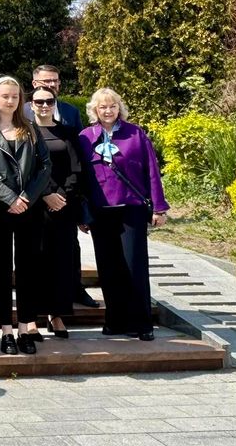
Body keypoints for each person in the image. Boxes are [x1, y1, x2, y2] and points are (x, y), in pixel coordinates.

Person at [79, 87, 169, 341]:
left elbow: (151, 171)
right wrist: (82, 215)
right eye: (102, 107)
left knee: (134, 266)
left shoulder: (136, 134)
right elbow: (82, 179)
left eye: (112, 106)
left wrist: (159, 207)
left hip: (131, 209)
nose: (108, 111)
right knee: (109, 268)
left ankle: (142, 323)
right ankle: (115, 321)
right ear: (95, 111)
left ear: (119, 108)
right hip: (101, 212)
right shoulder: (86, 137)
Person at [0, 76, 52, 356]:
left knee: (28, 268)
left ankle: (25, 327)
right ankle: (6, 329)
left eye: (15, 97)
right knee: (1, 269)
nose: (10, 101)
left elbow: (45, 165)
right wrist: (9, 198)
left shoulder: (29, 128)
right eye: (5, 96)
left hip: (29, 208)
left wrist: (27, 197)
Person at [23, 64, 95, 308]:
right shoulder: (22, 115)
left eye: (55, 81)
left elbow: (75, 155)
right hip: (36, 198)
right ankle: (36, 308)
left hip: (66, 199)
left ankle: (73, 291)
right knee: (37, 252)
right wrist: (46, 193)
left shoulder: (70, 113)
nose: (51, 86)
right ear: (34, 86)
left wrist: (65, 193)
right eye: (46, 82)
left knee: (68, 250)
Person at [30, 85, 84, 338]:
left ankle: (58, 315)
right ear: (31, 104)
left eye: (49, 101)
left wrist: (62, 195)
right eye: (38, 101)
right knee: (35, 261)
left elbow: (77, 169)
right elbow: (27, 170)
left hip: (64, 207)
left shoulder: (69, 133)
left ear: (55, 104)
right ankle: (31, 317)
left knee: (62, 261)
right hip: (36, 207)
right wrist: (46, 194)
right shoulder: (25, 133)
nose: (44, 106)